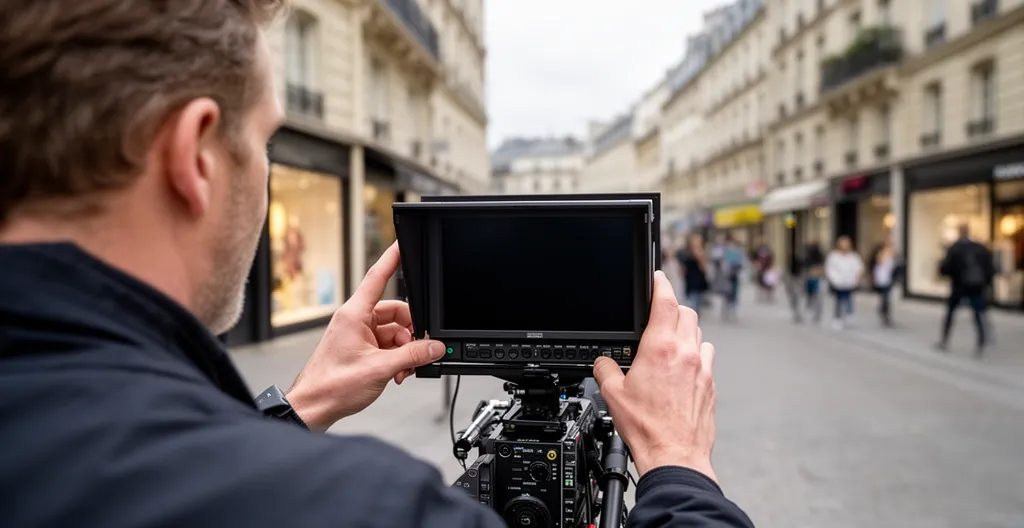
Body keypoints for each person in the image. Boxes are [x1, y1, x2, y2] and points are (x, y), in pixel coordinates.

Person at [0, 2, 753, 527]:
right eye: (263, 140)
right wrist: (681, 469)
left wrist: (297, 411)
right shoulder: (360, 505)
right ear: (195, 155)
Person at [936, 224, 996, 357]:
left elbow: (946, 268)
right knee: (978, 313)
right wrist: (986, 284)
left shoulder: (955, 248)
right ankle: (981, 341)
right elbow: (990, 269)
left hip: (959, 286)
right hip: (977, 286)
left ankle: (944, 340)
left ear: (959, 232)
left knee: (951, 313)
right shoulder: (980, 247)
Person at [825, 236, 865, 330]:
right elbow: (830, 269)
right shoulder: (834, 256)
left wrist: (857, 277)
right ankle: (837, 318)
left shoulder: (853, 256)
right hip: (838, 282)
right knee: (838, 300)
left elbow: (859, 268)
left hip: (850, 282)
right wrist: (835, 279)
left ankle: (849, 314)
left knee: (849, 298)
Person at [868, 237, 900, 327]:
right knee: (884, 297)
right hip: (880, 279)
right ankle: (883, 312)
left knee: (887, 298)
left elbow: (895, 267)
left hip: (889, 280)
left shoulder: (893, 255)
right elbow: (875, 264)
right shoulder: (879, 254)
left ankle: (886, 314)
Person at [677, 233, 710, 317]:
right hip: (689, 281)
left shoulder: (702, 253)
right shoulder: (685, 253)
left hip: (698, 281)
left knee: (696, 302)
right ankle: (692, 317)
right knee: (692, 301)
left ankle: (694, 317)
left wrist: (699, 257)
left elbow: (704, 268)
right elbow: (682, 269)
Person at [802, 241, 827, 323]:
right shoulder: (809, 254)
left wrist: (818, 271)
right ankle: (812, 311)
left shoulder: (818, 254)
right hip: (811, 278)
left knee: (817, 297)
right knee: (811, 295)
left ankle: (815, 314)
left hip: (817, 278)